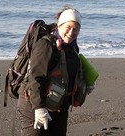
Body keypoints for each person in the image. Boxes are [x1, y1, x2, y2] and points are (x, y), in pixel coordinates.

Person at [17, 6, 94, 136]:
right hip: (33, 104)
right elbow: (36, 77)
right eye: (68, 28)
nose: (71, 32)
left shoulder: (72, 47)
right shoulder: (45, 45)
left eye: (75, 29)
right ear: (59, 26)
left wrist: (86, 83)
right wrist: (39, 108)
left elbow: (70, 72)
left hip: (58, 105)